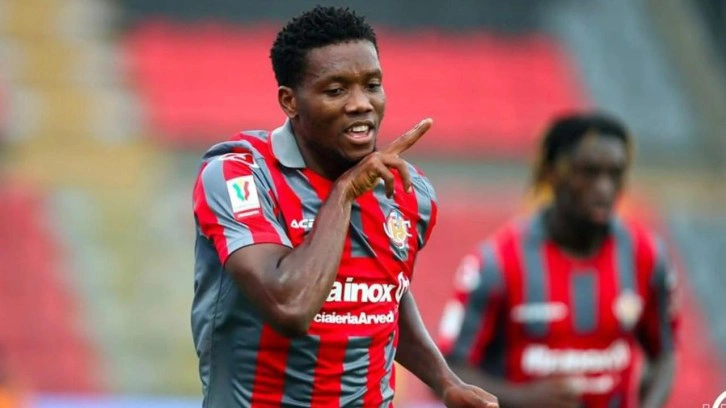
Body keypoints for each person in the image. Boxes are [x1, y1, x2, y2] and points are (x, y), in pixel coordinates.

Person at [191, 6, 498, 408]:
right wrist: (344, 193)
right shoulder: (240, 176)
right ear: (290, 101)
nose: (361, 104)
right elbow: (289, 306)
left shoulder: (409, 192)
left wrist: (444, 381)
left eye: (372, 85)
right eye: (336, 91)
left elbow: (386, 293)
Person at [437, 113, 677, 408]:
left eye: (615, 174)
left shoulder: (646, 256)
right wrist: (523, 400)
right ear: (552, 173)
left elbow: (664, 356)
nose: (604, 187)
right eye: (588, 173)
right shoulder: (497, 262)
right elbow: (448, 373)